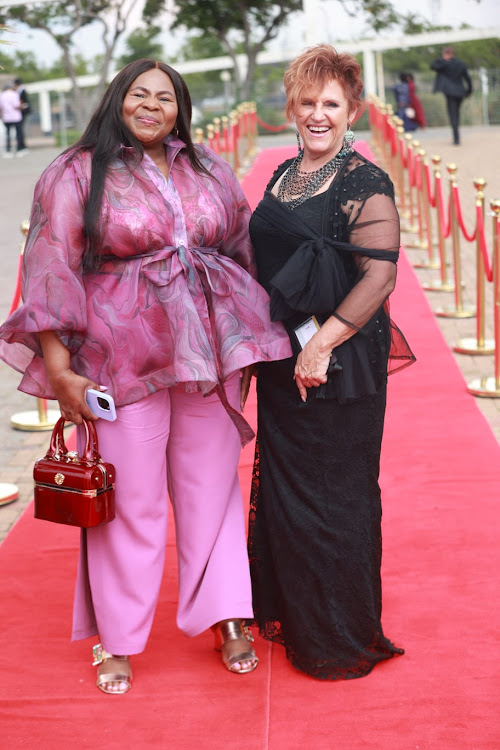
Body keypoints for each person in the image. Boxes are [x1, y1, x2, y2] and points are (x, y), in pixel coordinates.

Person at [0, 59, 292, 693]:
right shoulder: (76, 172)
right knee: (127, 499)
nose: (153, 106)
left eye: (166, 97)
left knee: (210, 488)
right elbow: (50, 267)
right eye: (141, 95)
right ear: (119, 100)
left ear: (180, 106)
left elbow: (242, 249)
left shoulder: (207, 166)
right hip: (117, 356)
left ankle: (225, 614)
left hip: (209, 354)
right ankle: (118, 633)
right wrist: (58, 367)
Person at [247, 44, 415, 680]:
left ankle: (339, 635)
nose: (318, 114)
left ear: (352, 112)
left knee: (337, 493)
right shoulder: (283, 175)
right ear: (291, 108)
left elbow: (380, 275)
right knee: (289, 488)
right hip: (284, 360)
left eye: (331, 104)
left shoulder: (363, 181)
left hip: (341, 362)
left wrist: (323, 344)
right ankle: (298, 614)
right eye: (308, 102)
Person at [431, 47, 472, 145]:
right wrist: (469, 91)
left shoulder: (444, 64)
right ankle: (456, 135)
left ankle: (456, 138)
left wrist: (444, 59)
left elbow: (433, 66)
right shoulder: (461, 63)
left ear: (445, 54)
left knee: (453, 114)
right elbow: (467, 78)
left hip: (450, 93)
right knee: (456, 113)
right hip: (460, 92)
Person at [0, 81, 26, 157]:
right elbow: (16, 105)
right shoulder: (14, 94)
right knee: (18, 133)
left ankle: (8, 150)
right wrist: (22, 107)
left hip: (6, 117)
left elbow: (1, 107)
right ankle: (19, 149)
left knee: (7, 134)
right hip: (16, 117)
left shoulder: (2, 95)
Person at [14, 77, 30, 154]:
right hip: (21, 112)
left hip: (23, 112)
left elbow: (25, 102)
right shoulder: (20, 90)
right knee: (20, 129)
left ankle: (22, 146)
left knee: (20, 129)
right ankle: (22, 145)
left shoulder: (22, 90)